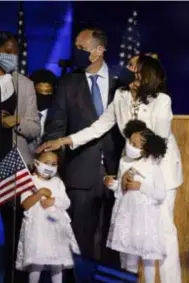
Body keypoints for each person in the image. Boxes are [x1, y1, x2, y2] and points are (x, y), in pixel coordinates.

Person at [37, 54, 183, 283]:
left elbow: (159, 141)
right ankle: (128, 278)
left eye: (133, 65)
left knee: (163, 231)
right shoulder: (121, 96)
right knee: (129, 231)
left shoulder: (161, 100)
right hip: (130, 171)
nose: (128, 68)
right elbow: (98, 127)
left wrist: (140, 178)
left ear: (145, 73)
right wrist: (64, 141)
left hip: (159, 172)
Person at [41, 27, 123, 265]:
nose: (76, 52)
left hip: (118, 171)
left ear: (99, 50)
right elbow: (56, 128)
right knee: (80, 240)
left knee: (114, 241)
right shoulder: (67, 83)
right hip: (80, 171)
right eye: (75, 47)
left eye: (81, 48)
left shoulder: (123, 81)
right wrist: (50, 167)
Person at [0, 31, 40, 283]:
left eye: (15, 52)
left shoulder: (24, 84)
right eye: (7, 51)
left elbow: (35, 127)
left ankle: (15, 278)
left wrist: (17, 122)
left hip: (13, 164)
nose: (12, 56)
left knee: (16, 230)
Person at [105, 120, 167, 283]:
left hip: (145, 220)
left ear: (146, 149)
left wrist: (141, 186)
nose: (130, 146)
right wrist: (115, 184)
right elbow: (120, 188)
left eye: (135, 144)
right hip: (127, 218)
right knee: (128, 259)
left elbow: (160, 194)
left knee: (148, 259)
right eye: (129, 142)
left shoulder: (153, 166)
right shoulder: (124, 161)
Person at [15, 150, 80, 283]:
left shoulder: (58, 182)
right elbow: (25, 204)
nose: (49, 167)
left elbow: (66, 202)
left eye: (53, 164)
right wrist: (39, 194)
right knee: (36, 262)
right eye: (46, 163)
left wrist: (54, 201)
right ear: (36, 163)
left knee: (57, 262)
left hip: (55, 228)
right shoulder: (29, 181)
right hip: (37, 229)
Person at [28, 69, 57, 154]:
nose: (43, 96)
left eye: (48, 92)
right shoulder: (21, 112)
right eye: (39, 92)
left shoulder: (58, 116)